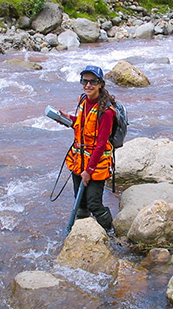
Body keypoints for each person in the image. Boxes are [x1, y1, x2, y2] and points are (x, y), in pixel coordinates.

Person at [60, 65, 116, 231]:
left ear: (100, 84)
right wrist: (67, 118)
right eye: (85, 81)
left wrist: (89, 170)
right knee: (80, 199)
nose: (88, 85)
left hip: (96, 164)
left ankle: (110, 231)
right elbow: (83, 124)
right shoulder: (83, 100)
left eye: (93, 81)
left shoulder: (106, 112)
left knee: (94, 203)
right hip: (79, 160)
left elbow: (101, 143)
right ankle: (82, 229)